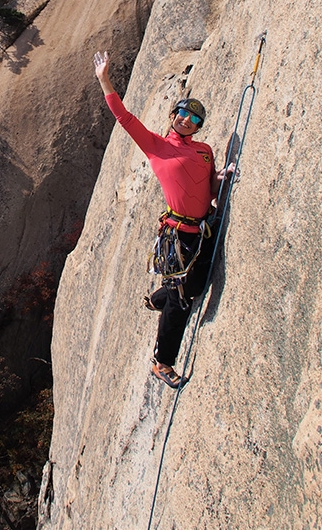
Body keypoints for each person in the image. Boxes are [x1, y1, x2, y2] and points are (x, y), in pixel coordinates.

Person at [93, 50, 234, 389]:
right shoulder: (157, 146)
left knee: (196, 286)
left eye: (195, 118)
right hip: (180, 235)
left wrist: (222, 176)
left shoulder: (204, 151)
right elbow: (125, 118)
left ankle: (159, 298)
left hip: (203, 228)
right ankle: (163, 362)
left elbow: (209, 188)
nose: (188, 120)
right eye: (184, 113)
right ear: (173, 115)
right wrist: (104, 79)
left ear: (199, 126)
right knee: (182, 300)